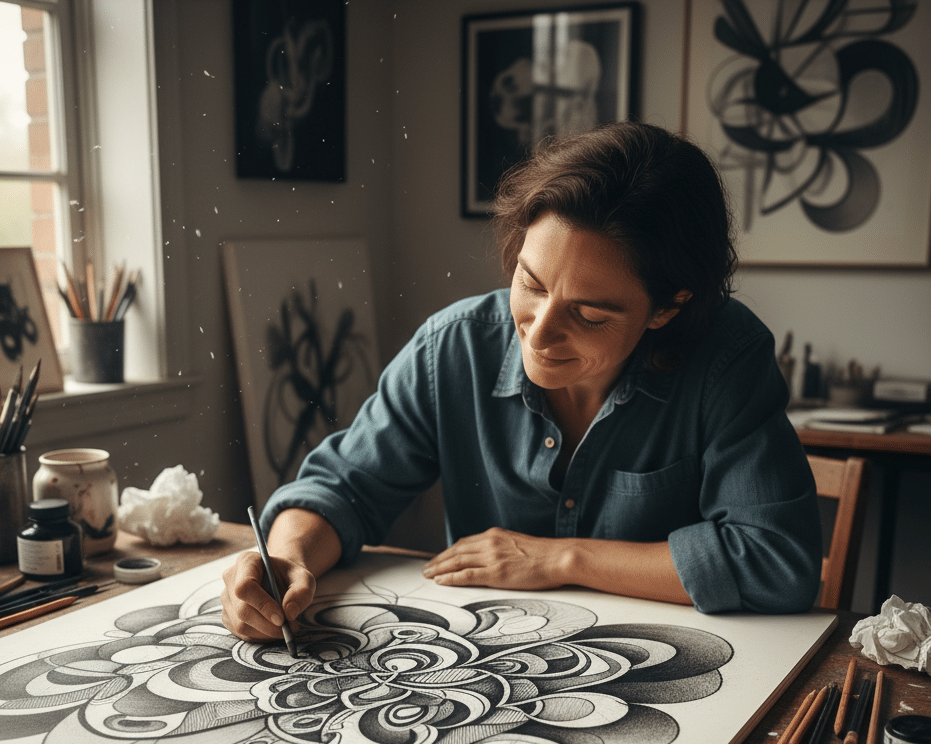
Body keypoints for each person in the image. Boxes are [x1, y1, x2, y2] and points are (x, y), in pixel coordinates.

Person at [221, 122, 822, 642]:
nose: (538, 335)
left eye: (589, 315)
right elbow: (343, 488)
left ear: (666, 308)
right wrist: (285, 557)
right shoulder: (453, 347)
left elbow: (777, 561)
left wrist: (559, 558)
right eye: (532, 284)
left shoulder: (726, 359)